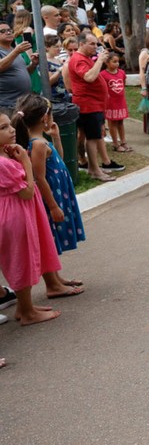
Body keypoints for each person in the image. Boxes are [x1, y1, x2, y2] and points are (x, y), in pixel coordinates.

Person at [0, 109, 80, 326]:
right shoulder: (3, 162)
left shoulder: (7, 153)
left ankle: (25, 308)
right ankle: (27, 312)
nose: (12, 129)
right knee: (21, 261)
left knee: (25, 257)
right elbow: (26, 191)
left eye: (10, 124)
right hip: (14, 213)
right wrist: (25, 161)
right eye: (3, 128)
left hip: (20, 210)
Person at [15, 94, 86, 255]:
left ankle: (56, 277)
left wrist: (56, 138)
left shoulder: (41, 140)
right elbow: (39, 178)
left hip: (58, 192)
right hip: (53, 195)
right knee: (51, 236)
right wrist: (53, 206)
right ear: (45, 117)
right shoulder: (38, 144)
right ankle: (52, 279)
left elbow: (58, 160)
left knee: (54, 237)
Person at [66, 33, 123, 181]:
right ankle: (96, 170)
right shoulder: (78, 59)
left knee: (93, 136)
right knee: (92, 138)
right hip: (88, 105)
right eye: (92, 44)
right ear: (81, 44)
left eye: (96, 44)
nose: (95, 47)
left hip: (93, 104)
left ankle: (93, 168)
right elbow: (89, 77)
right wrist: (100, 61)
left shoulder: (85, 58)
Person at [0, 23, 36, 112]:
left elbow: (23, 71)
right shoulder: (14, 51)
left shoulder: (13, 50)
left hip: (23, 103)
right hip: (7, 104)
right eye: (2, 31)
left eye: (9, 30)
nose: (8, 33)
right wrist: (16, 52)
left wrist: (33, 64)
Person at [100, 53, 131, 152]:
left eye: (118, 61)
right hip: (110, 103)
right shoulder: (103, 75)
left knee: (120, 122)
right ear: (107, 63)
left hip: (120, 101)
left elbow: (123, 84)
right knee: (112, 122)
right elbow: (102, 88)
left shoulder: (121, 72)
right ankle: (115, 143)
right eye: (114, 62)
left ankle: (123, 141)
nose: (117, 64)